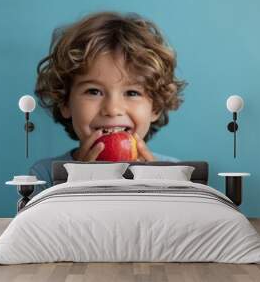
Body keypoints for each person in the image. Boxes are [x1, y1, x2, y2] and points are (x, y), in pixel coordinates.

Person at [30, 11, 187, 187]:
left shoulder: (174, 174)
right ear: (65, 102)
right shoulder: (45, 175)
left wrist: (159, 191)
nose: (112, 109)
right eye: (94, 91)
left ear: (156, 107)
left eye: (132, 93)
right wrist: (76, 185)